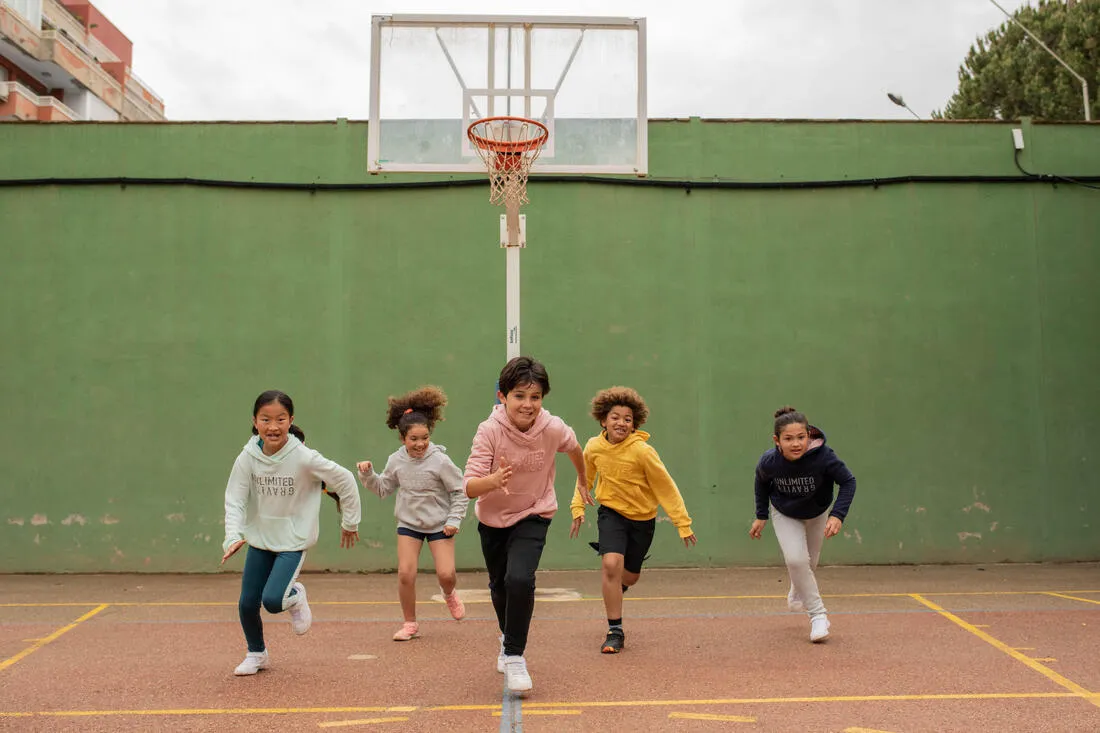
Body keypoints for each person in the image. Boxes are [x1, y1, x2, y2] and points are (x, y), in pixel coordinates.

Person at [463, 356, 592, 695]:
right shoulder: (489, 431)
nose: (528, 404)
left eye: (535, 397)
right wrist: (492, 480)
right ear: (502, 396)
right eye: (520, 396)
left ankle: (515, 655)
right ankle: (507, 635)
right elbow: (469, 486)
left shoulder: (551, 427)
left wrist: (581, 477)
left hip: (535, 511)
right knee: (499, 585)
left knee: (520, 578)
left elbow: (574, 447)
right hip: (493, 517)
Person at [222, 390, 362, 675]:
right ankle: (256, 653)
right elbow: (235, 498)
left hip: (293, 539)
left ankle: (296, 594)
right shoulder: (247, 457)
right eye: (266, 419)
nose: (273, 426)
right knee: (248, 603)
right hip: (261, 537)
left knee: (273, 601)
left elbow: (345, 479)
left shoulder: (304, 457)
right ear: (255, 421)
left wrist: (350, 521)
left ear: (290, 421)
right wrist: (233, 536)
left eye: (280, 419)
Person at [569, 386, 696, 654]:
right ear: (603, 420)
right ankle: (615, 630)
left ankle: (620, 586)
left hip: (642, 519)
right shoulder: (593, 447)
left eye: (628, 419)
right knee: (611, 564)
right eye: (615, 417)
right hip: (611, 512)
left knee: (630, 576)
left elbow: (666, 487)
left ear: (634, 425)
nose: (621, 423)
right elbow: (585, 479)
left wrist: (682, 523)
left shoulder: (643, 452)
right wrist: (578, 507)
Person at [356, 386, 469, 641]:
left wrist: (453, 520)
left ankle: (449, 594)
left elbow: (460, 491)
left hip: (440, 524)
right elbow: (384, 488)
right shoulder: (396, 461)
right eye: (414, 439)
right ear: (402, 439)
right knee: (406, 573)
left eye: (425, 438)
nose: (420, 444)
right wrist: (367, 475)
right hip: (409, 524)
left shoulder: (440, 461)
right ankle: (410, 623)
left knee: (446, 574)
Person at [749, 406, 856, 643]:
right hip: (785, 513)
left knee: (810, 563)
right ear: (777, 441)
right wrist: (761, 515)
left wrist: (837, 515)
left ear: (809, 435)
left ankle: (798, 588)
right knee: (797, 560)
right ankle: (819, 616)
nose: (796, 444)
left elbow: (848, 481)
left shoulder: (824, 457)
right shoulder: (770, 462)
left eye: (801, 437)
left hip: (817, 512)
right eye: (788, 439)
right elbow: (761, 483)